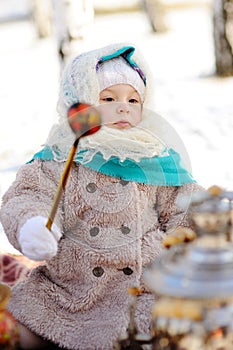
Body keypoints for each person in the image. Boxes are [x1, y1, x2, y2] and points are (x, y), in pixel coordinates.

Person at [0, 43, 203, 349]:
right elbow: (27, 196)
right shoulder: (59, 156)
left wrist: (208, 227)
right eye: (108, 98)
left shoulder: (154, 155)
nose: (123, 107)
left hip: (144, 287)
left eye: (133, 100)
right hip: (71, 288)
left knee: (171, 327)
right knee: (24, 323)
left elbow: (185, 207)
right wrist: (34, 223)